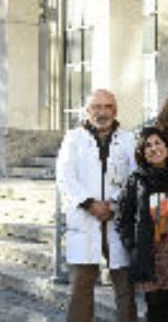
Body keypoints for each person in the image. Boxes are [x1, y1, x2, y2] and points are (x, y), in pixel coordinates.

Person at [56, 89, 137, 322]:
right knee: (81, 289)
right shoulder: (74, 138)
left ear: (116, 110)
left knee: (125, 287)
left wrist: (114, 205)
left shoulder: (128, 139)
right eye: (97, 107)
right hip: (85, 218)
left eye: (108, 106)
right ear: (88, 111)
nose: (102, 112)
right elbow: (65, 176)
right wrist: (89, 204)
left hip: (117, 218)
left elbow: (134, 177)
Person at [116, 127, 168, 322]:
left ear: (166, 146)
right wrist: (132, 245)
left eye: (158, 143)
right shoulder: (137, 180)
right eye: (148, 146)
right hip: (150, 255)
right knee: (155, 310)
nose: (154, 148)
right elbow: (123, 218)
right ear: (142, 153)